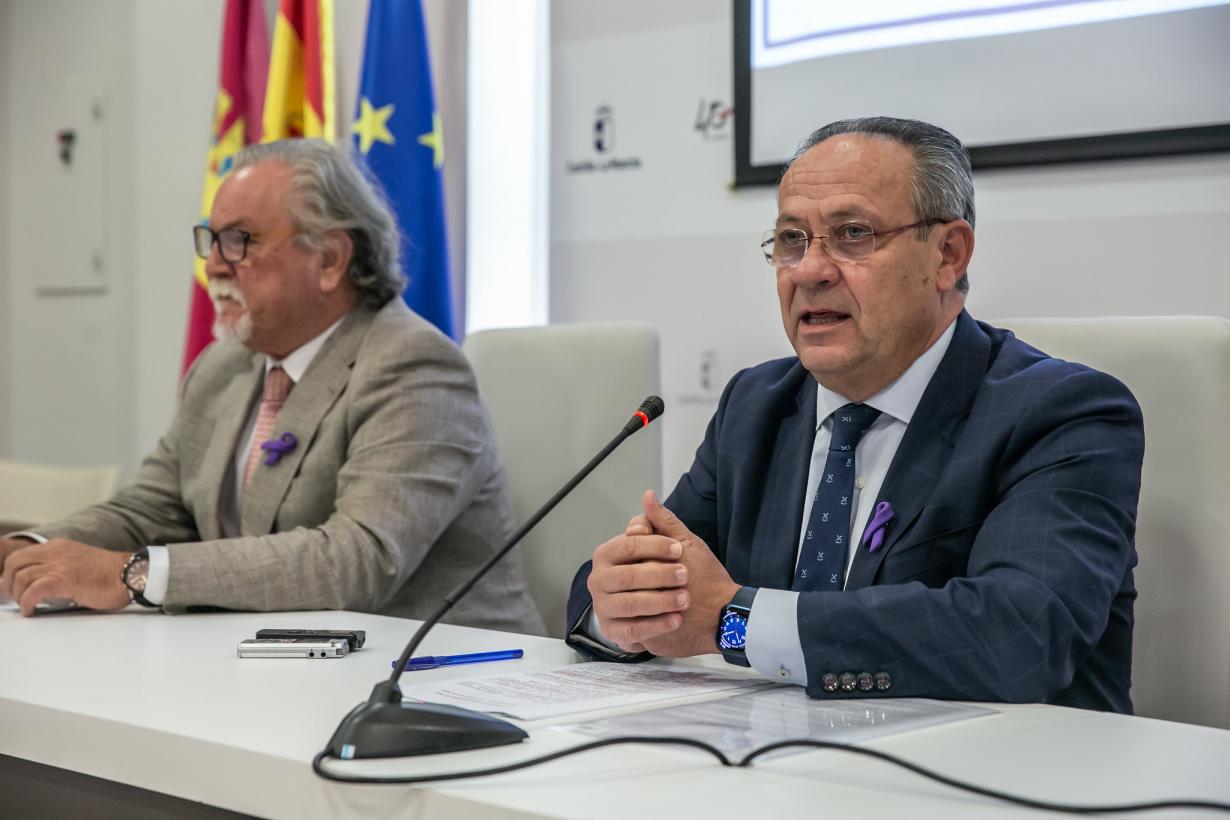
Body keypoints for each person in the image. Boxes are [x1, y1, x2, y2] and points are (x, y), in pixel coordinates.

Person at [565, 117, 1143, 712]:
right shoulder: (758, 405)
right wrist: (622, 605)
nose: (809, 270)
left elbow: (1019, 635)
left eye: (853, 234)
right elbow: (647, 585)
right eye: (791, 239)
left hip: (1005, 762)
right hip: (779, 755)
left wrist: (734, 621)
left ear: (948, 255)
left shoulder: (1062, 413)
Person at [0, 139, 545, 635]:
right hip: (280, 664)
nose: (214, 265)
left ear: (330, 259)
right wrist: (26, 553)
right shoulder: (224, 366)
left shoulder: (412, 364)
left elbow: (357, 559)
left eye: (239, 241)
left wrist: (132, 573)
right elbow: (154, 508)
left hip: (446, 675)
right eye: (211, 240)